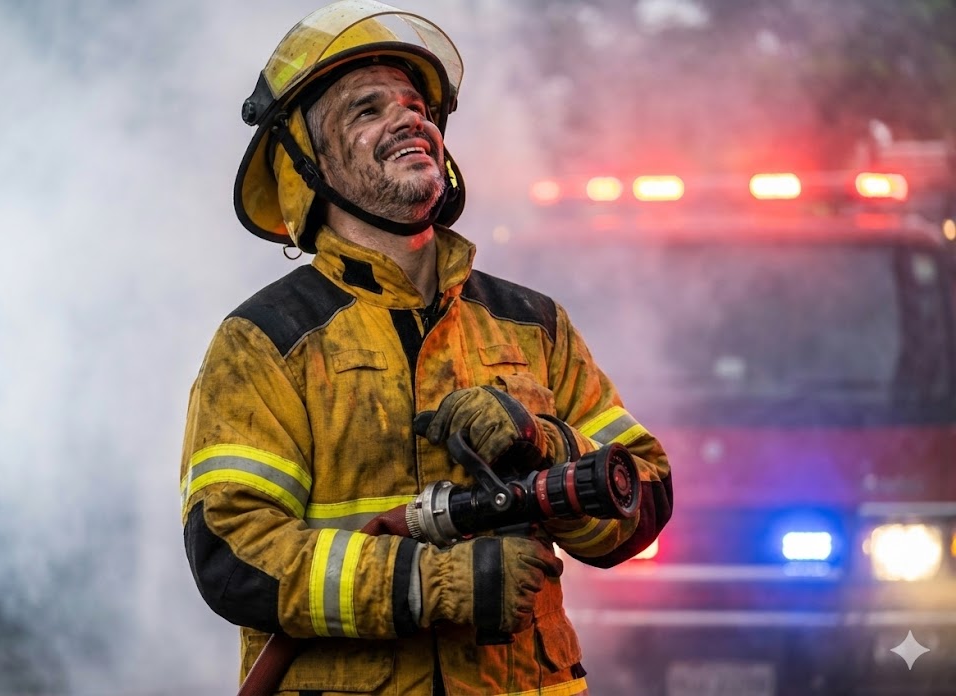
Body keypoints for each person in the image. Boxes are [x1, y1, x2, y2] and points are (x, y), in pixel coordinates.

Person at [179, 2, 673, 694]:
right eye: (367, 110)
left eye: (416, 105)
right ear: (308, 167)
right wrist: (422, 583)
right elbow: (233, 554)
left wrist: (546, 446)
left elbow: (641, 506)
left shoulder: (530, 323)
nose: (409, 119)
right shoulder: (266, 342)